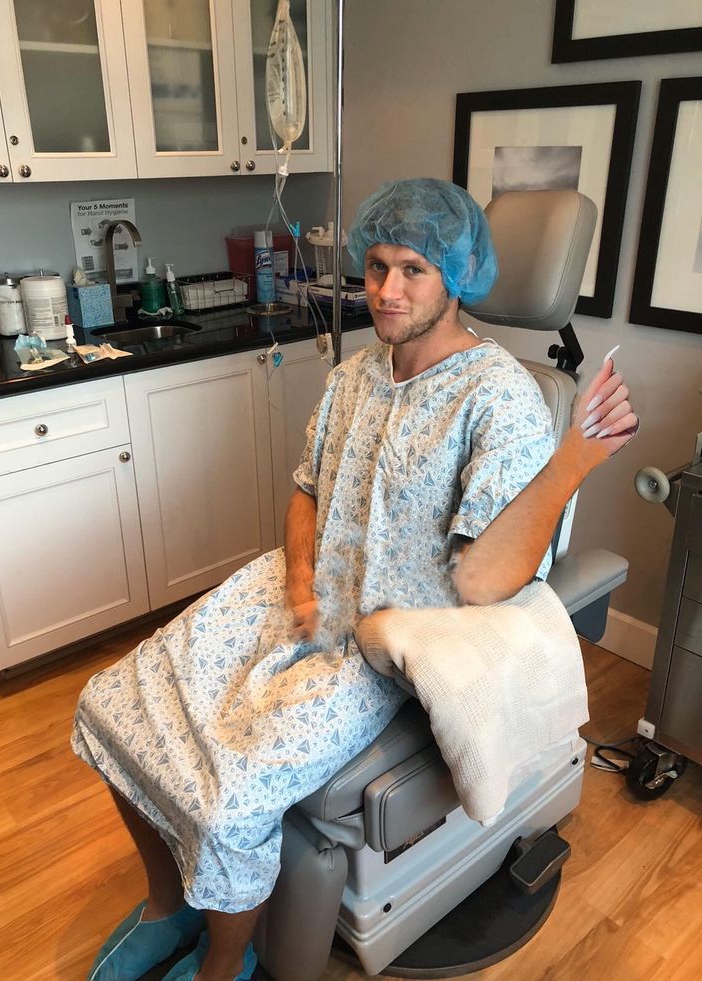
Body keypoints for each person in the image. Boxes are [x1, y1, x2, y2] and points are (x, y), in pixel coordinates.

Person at [73, 178, 637, 981]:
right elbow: (308, 486)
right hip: (299, 592)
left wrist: (572, 460)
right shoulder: (354, 375)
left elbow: (480, 580)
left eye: (413, 269)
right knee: (114, 703)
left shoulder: (500, 397)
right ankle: (169, 907)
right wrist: (300, 580)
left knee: (232, 794)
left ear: (457, 279)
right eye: (375, 265)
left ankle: (223, 962)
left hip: (384, 640)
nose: (386, 289)